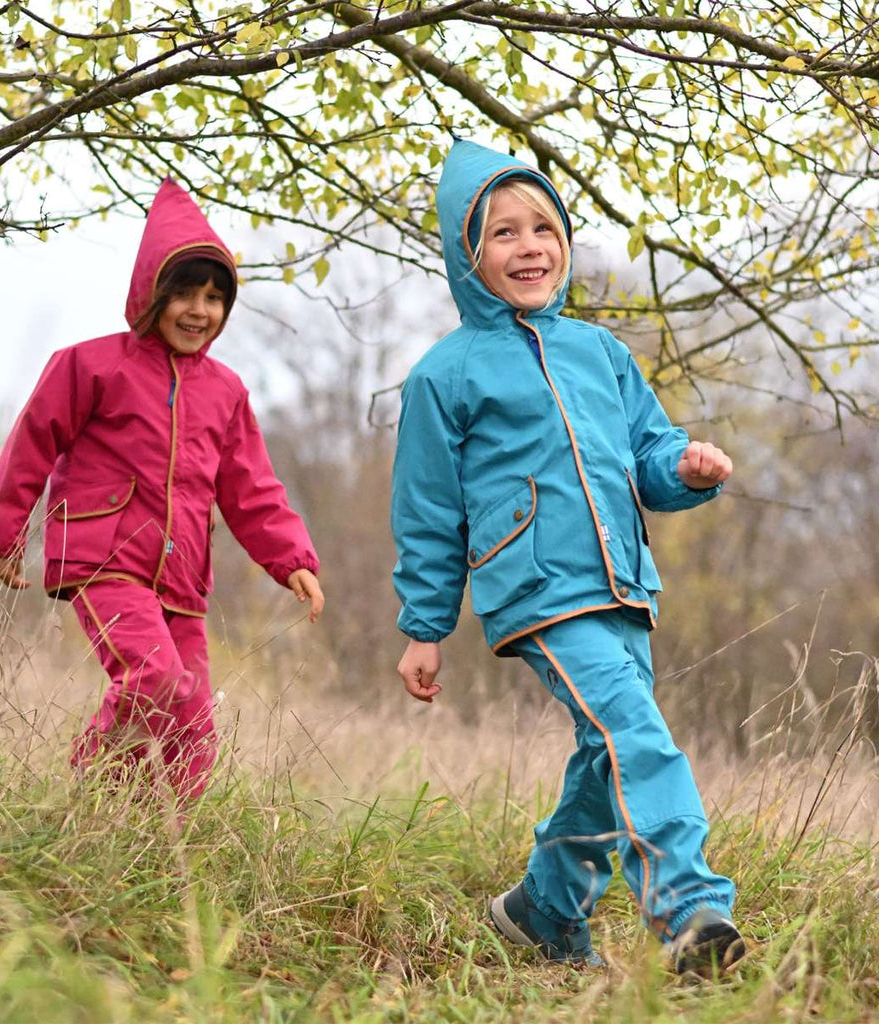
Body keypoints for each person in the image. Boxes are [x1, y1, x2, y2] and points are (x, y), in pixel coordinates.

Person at [390, 138, 744, 974]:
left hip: (623, 584)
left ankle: (543, 910)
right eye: (503, 232)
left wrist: (686, 469)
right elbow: (429, 510)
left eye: (543, 228)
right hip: (538, 588)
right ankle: (690, 911)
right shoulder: (445, 375)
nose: (530, 247)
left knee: (604, 754)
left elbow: (648, 453)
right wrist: (424, 626)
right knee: (634, 734)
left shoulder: (601, 353)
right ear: (467, 253)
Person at [0, 178, 324, 800]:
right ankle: (87, 790)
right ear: (151, 293)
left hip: (183, 577)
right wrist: (6, 536)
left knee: (193, 726)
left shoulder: (225, 391)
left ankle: (151, 831)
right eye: (185, 293)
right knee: (155, 676)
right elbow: (31, 443)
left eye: (215, 297)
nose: (200, 310)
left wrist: (291, 558)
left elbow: (252, 488)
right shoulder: (90, 365)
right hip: (105, 559)